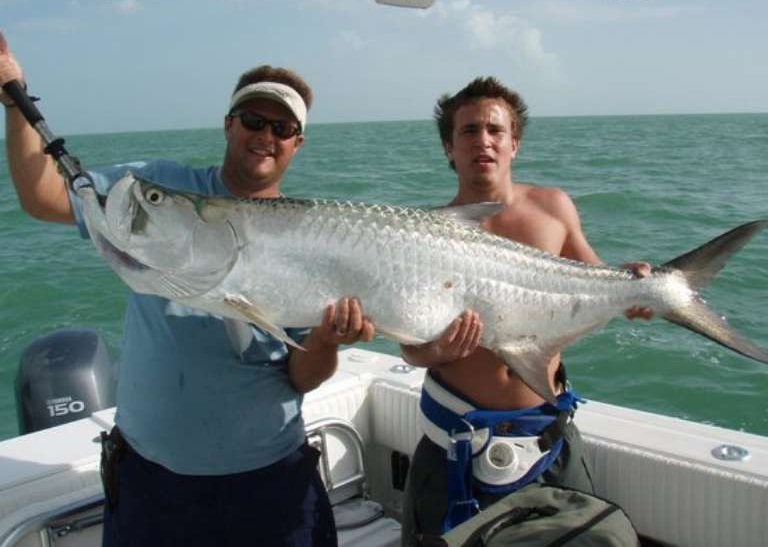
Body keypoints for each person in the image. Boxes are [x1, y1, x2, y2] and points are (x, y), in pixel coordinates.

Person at [0, 31, 374, 547]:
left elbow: (300, 375)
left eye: (282, 127)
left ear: (297, 142)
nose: (266, 134)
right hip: (152, 488)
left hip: (269, 482)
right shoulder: (158, 191)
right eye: (253, 121)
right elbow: (43, 197)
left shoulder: (309, 234)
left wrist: (329, 341)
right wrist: (15, 102)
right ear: (228, 125)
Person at [399, 76, 653, 546]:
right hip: (455, 446)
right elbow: (411, 347)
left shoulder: (553, 207)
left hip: (547, 441)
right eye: (469, 131)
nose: (483, 141)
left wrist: (631, 289)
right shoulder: (424, 232)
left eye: (495, 131)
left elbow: (594, 280)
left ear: (514, 143)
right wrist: (435, 350)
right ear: (448, 148)